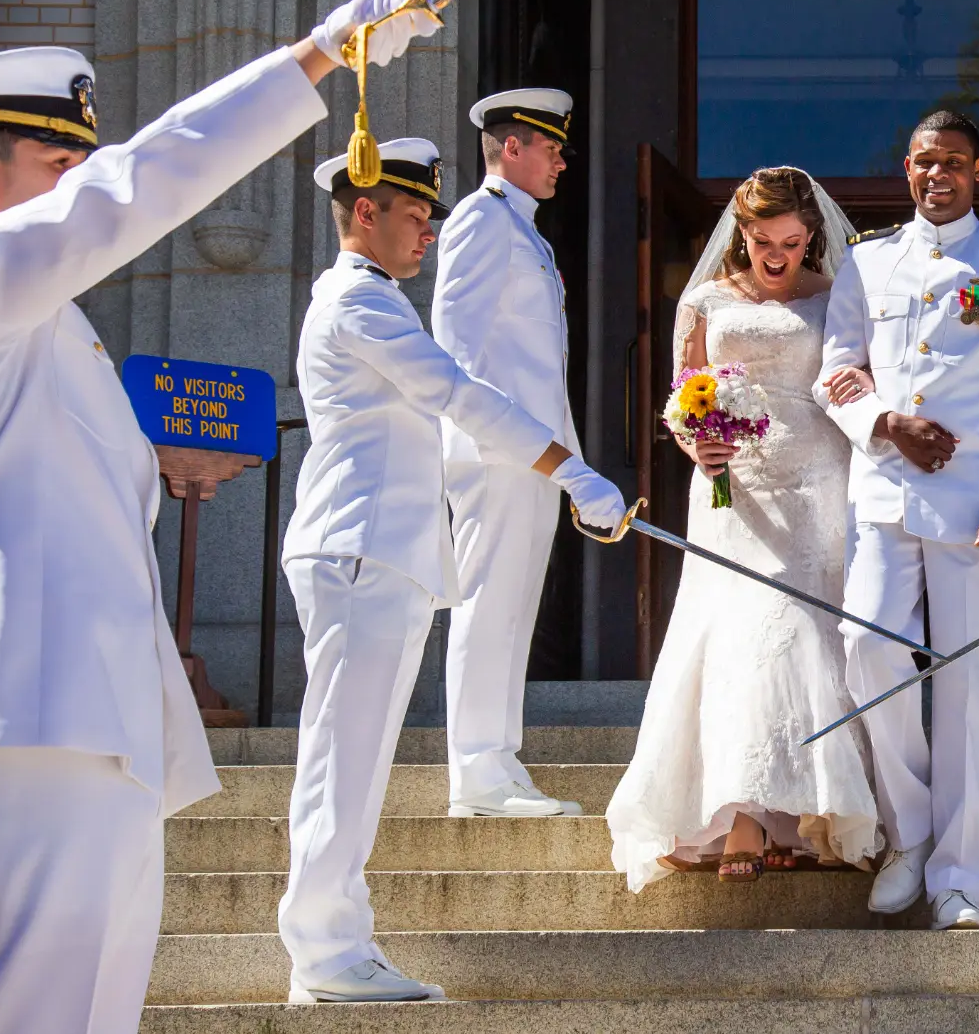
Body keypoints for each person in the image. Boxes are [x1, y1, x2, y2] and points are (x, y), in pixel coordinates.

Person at [0, 0, 436, 1033]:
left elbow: (38, 468)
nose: (80, 186)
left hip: (73, 710)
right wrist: (315, 57)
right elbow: (134, 188)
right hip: (14, 712)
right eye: (57, 166)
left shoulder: (29, 319)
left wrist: (153, 461)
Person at [279, 136, 626, 1003]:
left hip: (380, 551)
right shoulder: (362, 302)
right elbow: (458, 390)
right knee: (342, 757)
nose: (428, 228)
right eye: (414, 212)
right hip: (360, 547)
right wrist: (571, 469)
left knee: (351, 758)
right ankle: (324, 952)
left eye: (432, 212)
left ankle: (335, 941)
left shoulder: (372, 297)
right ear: (365, 211)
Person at [816, 111, 979, 931]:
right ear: (907, 166)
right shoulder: (868, 260)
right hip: (885, 493)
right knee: (867, 645)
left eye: (953, 162)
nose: (937, 175)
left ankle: (961, 876)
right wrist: (888, 425)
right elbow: (839, 372)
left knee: (967, 682)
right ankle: (913, 832)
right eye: (925, 161)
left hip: (975, 506)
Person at [605, 166, 883, 888]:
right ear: (742, 233)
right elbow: (682, 398)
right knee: (739, 635)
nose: (777, 256)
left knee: (805, 633)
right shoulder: (704, 302)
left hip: (819, 483)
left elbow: (859, 380)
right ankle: (745, 814)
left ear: (812, 235)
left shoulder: (840, 296)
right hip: (734, 491)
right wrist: (698, 441)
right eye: (763, 241)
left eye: (791, 242)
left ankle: (811, 814)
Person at [435, 89, 587, 818]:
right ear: (513, 147)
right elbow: (456, 354)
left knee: (514, 607)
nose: (562, 158)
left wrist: (574, 467)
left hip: (535, 457)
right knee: (488, 603)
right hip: (499, 453)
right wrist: (520, 448)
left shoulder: (527, 232)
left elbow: (542, 370)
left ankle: (499, 759)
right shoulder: (479, 219)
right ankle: (473, 769)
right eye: (551, 146)